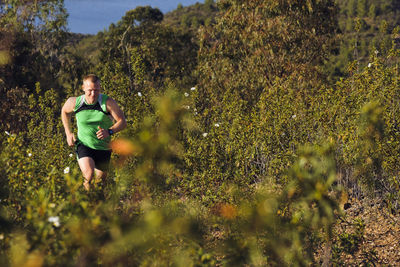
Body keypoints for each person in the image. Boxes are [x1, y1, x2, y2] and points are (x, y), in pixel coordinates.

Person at [61, 74, 127, 190]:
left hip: (103, 148)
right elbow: (64, 111)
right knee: (88, 174)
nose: (93, 94)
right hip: (84, 145)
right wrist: (68, 133)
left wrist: (109, 131)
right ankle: (86, 205)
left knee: (100, 183)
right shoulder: (76, 102)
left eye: (96, 90)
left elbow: (122, 122)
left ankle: (98, 205)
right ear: (83, 88)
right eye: (90, 90)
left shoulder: (107, 103)